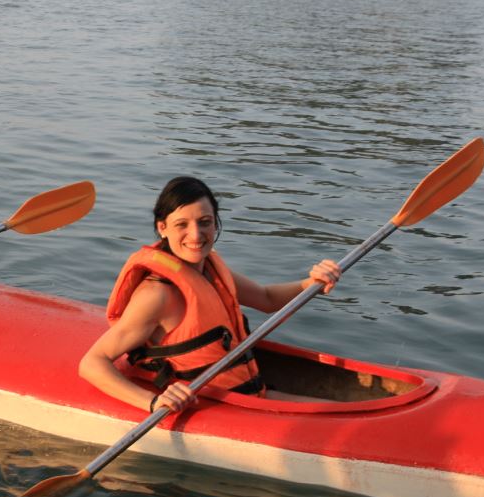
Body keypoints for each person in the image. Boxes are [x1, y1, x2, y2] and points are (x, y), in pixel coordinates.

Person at [79, 176, 340, 413]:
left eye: (205, 222)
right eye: (182, 224)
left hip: (248, 395)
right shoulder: (156, 295)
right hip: (206, 407)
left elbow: (267, 298)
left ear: (216, 223)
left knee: (337, 410)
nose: (195, 235)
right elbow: (93, 363)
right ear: (162, 227)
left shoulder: (210, 270)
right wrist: (153, 402)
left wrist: (310, 283)